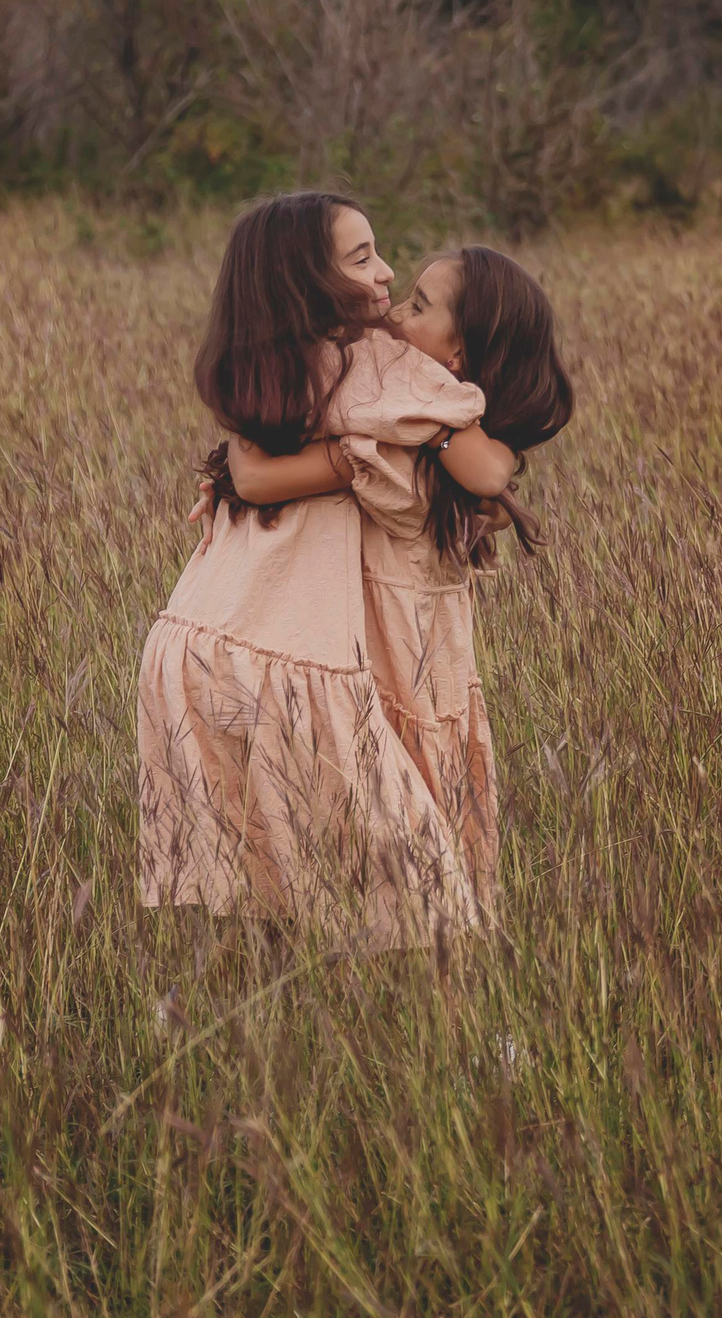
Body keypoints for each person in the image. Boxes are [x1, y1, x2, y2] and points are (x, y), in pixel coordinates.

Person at [135, 193, 510, 953]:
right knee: (427, 904)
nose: (387, 272)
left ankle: (280, 1029)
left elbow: (250, 467)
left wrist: (347, 461)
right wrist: (429, 437)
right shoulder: (373, 366)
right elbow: (492, 474)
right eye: (363, 257)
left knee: (273, 886)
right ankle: (449, 1039)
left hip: (198, 650)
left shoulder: (273, 376)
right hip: (291, 661)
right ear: (307, 282)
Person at [223, 247, 573, 915]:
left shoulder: (409, 421)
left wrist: (433, 434)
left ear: (459, 356)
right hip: (403, 664)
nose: (396, 313)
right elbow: (492, 480)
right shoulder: (421, 426)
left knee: (405, 864)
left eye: (420, 305)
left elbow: (259, 475)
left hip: (395, 665)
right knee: (403, 857)